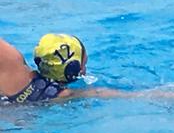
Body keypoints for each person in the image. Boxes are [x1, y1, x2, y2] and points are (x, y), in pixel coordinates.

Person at [0, 34, 131, 104]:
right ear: (73, 70)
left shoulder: (13, 66)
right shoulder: (64, 96)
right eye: (84, 64)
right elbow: (104, 93)